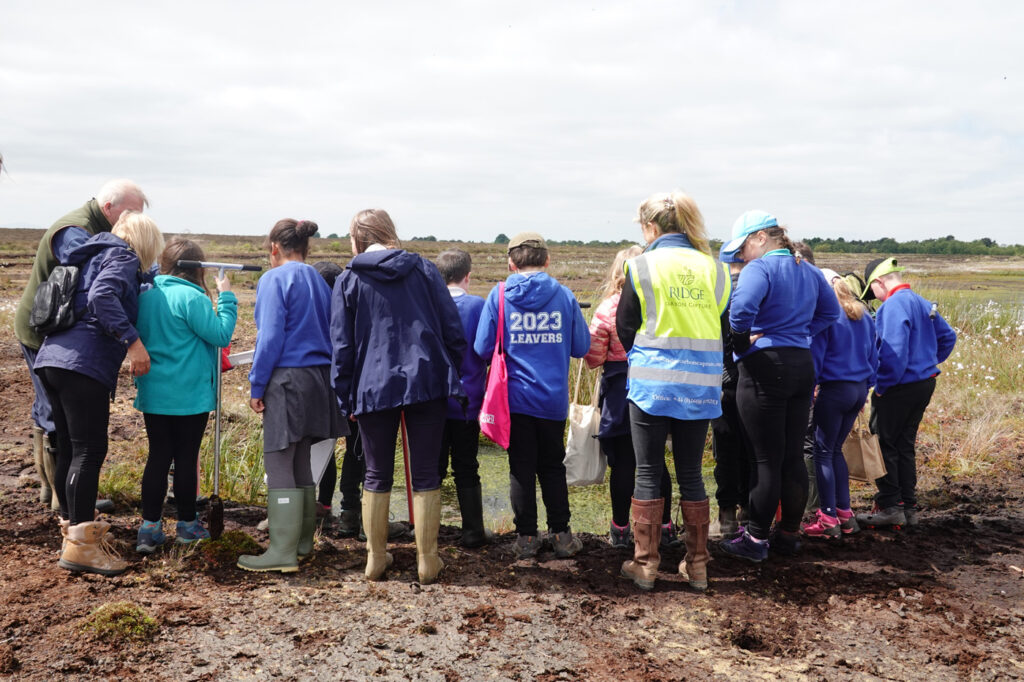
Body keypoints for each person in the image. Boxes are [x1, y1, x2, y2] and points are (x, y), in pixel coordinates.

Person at [330, 209, 465, 584]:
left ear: (356, 238)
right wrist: (447, 368)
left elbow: (341, 346)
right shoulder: (423, 269)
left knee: (375, 472)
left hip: (372, 384)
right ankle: (427, 561)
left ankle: (375, 559)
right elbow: (452, 328)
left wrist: (346, 398)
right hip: (426, 380)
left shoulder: (349, 279)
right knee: (425, 472)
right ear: (390, 233)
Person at [33, 211, 164, 576]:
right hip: (82, 362)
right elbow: (103, 295)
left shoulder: (91, 253)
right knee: (90, 451)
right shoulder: (122, 256)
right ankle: (82, 547)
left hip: (52, 359)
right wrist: (133, 342)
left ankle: (72, 532)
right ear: (145, 241)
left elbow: (110, 286)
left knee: (72, 448)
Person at [616, 193, 731, 591]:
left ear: (650, 228)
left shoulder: (641, 265)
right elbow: (722, 325)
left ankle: (645, 565)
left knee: (647, 471)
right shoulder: (716, 270)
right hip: (701, 387)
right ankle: (697, 566)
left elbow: (625, 326)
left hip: (651, 384)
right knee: (692, 474)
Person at [14, 179, 147, 512]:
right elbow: (96, 282)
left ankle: (59, 495)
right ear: (108, 209)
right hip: (46, 329)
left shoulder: (95, 228)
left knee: (54, 409)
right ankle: (66, 501)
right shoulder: (77, 229)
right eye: (130, 213)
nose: (133, 220)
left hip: (58, 332)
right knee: (62, 422)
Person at [718, 210, 840, 563]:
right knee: (791, 457)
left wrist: (744, 344)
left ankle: (755, 541)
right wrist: (798, 335)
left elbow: (740, 311)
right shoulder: (809, 270)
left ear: (759, 238)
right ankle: (788, 534)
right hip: (803, 365)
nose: (742, 257)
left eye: (742, 249)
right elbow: (829, 314)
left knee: (764, 459)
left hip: (765, 367)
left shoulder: (761, 269)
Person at [238, 219, 347, 573]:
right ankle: (301, 543)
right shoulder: (318, 278)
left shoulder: (274, 279)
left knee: (279, 459)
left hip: (288, 379)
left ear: (274, 248)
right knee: (301, 459)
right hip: (319, 379)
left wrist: (257, 384)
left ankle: (281, 551)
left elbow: (269, 338)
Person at [474, 231, 590, 560]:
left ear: (511, 263)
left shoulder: (498, 296)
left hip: (514, 401)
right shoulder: (565, 296)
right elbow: (582, 346)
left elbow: (482, 348)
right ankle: (562, 535)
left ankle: (526, 538)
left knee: (520, 467)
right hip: (552, 400)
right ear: (547, 260)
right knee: (552, 466)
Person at [133, 238, 238, 553]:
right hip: (190, 397)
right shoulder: (192, 299)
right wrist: (227, 296)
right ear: (198, 269)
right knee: (185, 458)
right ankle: (187, 525)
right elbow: (220, 335)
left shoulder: (146, 296)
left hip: (154, 394)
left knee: (158, 457)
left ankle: (149, 528)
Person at [584, 245, 679, 550]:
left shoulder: (609, 307)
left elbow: (594, 358)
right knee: (656, 462)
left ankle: (621, 528)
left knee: (623, 464)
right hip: (659, 387)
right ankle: (664, 527)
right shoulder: (663, 304)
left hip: (620, 390)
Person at [856, 258, 956, 529]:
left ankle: (890, 506)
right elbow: (948, 337)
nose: (874, 299)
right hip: (924, 383)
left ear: (879, 282)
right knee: (903, 446)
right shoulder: (922, 302)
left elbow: (893, 354)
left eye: (872, 292)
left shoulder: (893, 305)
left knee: (882, 444)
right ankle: (908, 508)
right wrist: (925, 361)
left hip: (899, 386)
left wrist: (883, 387)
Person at [802, 269, 877, 538]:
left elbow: (816, 360)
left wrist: (810, 390)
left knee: (823, 451)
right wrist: (866, 390)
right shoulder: (863, 315)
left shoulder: (826, 318)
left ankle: (827, 519)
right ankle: (845, 513)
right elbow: (874, 355)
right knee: (835, 451)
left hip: (834, 390)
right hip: (857, 390)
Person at [435, 249, 490, 548]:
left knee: (433, 468)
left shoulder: (430, 306)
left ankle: (427, 531)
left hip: (433, 402)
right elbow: (485, 351)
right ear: (467, 276)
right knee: (467, 466)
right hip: (467, 403)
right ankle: (472, 531)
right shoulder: (478, 306)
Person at [711, 243, 752, 537]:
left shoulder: (716, 297)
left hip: (722, 384)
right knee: (753, 450)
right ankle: (748, 512)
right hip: (753, 383)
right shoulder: (757, 294)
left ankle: (726, 517)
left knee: (725, 451)